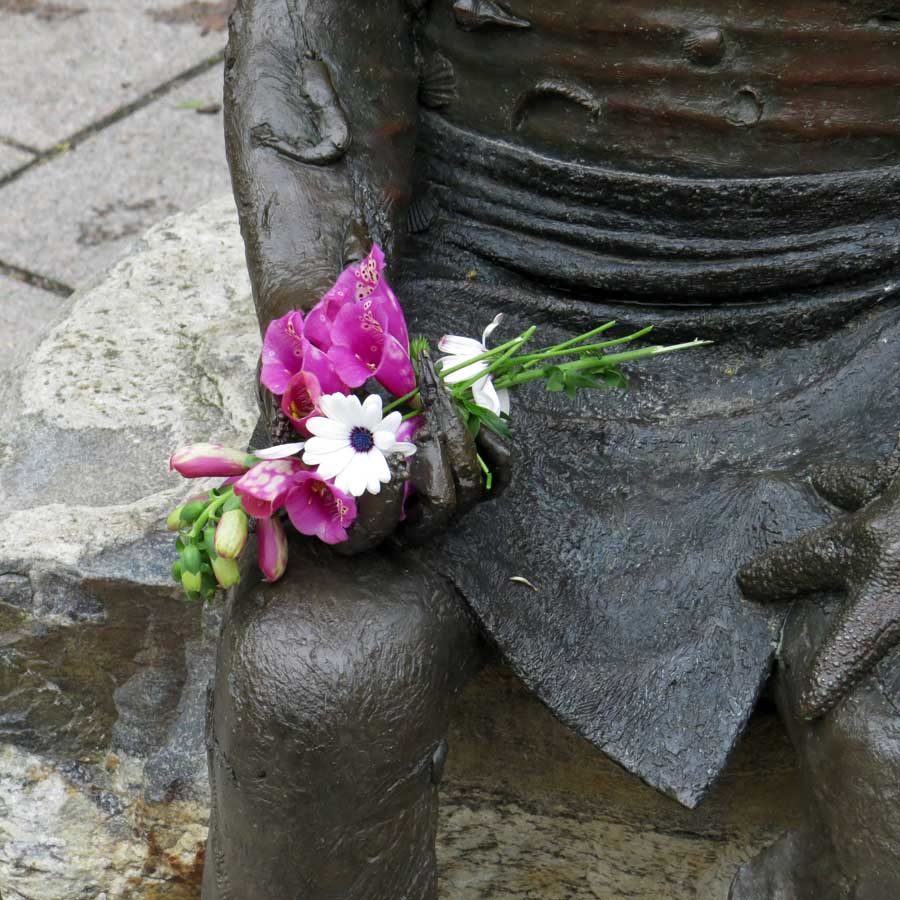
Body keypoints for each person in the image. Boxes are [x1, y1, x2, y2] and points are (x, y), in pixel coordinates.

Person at [203, 2, 900, 897]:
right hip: (490, 294)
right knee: (311, 684)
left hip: (873, 314)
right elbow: (309, 36)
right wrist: (341, 356)